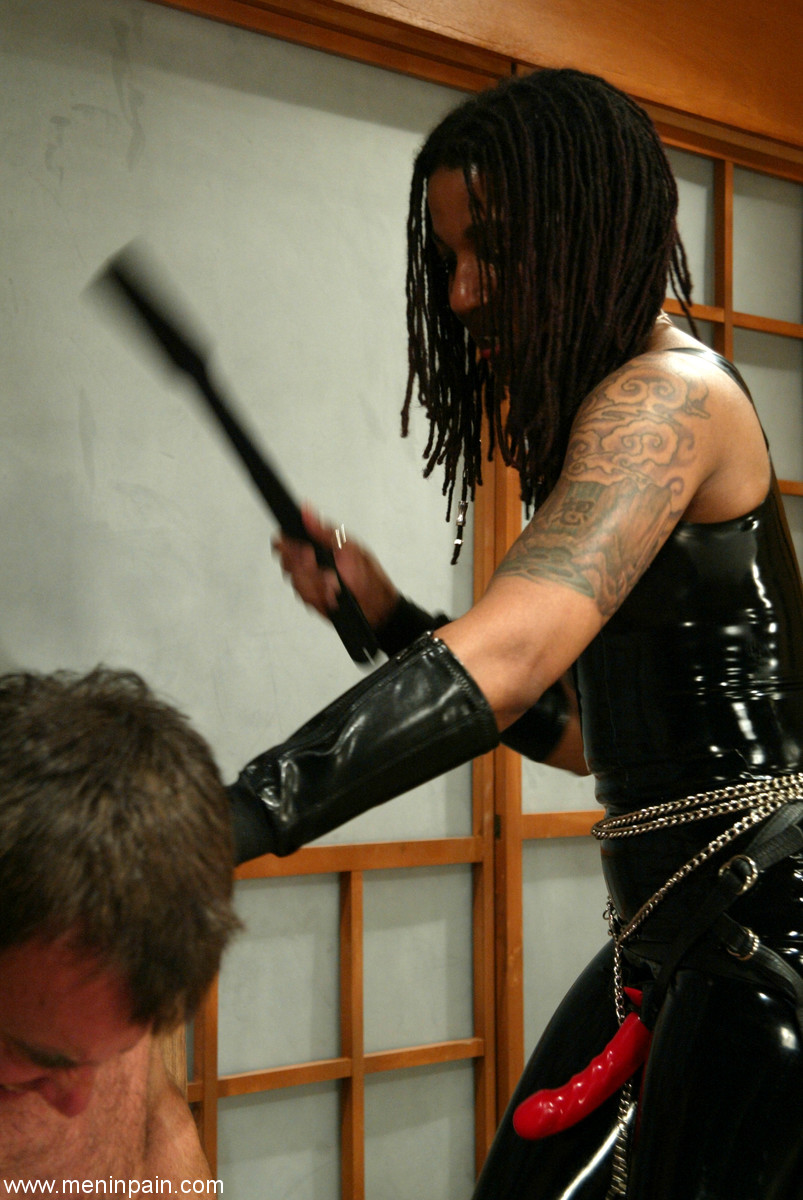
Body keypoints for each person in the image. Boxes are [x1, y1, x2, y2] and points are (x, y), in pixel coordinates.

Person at [228, 68, 803, 1198]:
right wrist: (393, 618)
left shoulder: (666, 396)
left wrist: (216, 823)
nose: (458, 294)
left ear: (585, 229)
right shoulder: (617, 408)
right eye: (446, 257)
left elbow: (507, 659)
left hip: (764, 932)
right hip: (673, 931)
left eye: (488, 251)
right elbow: (583, 739)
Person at [0, 667, 239, 1189]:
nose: (78, 1101)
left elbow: (158, 1119)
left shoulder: (108, 975)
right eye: (40, 1060)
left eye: (115, 1053)